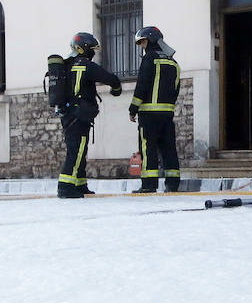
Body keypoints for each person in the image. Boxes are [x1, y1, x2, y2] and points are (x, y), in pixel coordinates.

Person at [57, 32, 122, 198]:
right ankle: (65, 187)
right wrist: (116, 89)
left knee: (79, 149)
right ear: (83, 48)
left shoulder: (67, 65)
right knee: (76, 150)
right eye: (92, 49)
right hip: (79, 115)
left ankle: (79, 184)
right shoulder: (85, 65)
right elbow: (110, 78)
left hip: (68, 114)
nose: (93, 53)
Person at [128, 25, 181, 193]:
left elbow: (142, 85)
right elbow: (176, 88)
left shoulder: (150, 59)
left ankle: (149, 185)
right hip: (167, 114)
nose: (142, 47)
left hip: (149, 115)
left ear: (149, 40)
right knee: (169, 148)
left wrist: (133, 109)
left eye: (142, 43)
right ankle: (172, 183)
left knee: (148, 148)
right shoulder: (173, 62)